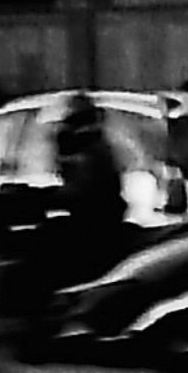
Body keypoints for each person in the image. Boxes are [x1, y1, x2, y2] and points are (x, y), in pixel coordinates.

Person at [53, 91, 128, 279]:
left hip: (92, 217)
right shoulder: (97, 142)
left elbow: (80, 185)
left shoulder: (84, 146)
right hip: (104, 214)